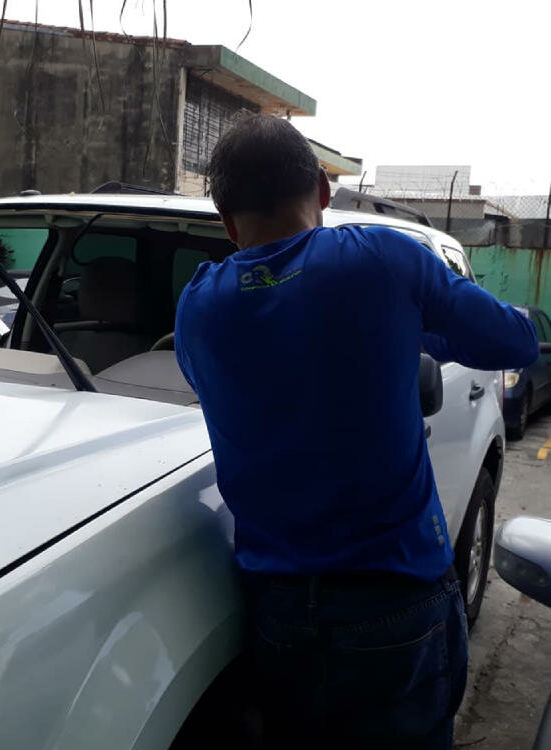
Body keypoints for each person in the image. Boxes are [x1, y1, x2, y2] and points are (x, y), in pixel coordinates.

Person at [174, 114, 538, 749]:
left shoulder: (198, 305)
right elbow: (516, 341)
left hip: (278, 615)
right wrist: (406, 328)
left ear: (227, 221)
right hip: (393, 606)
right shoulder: (384, 259)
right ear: (321, 188)